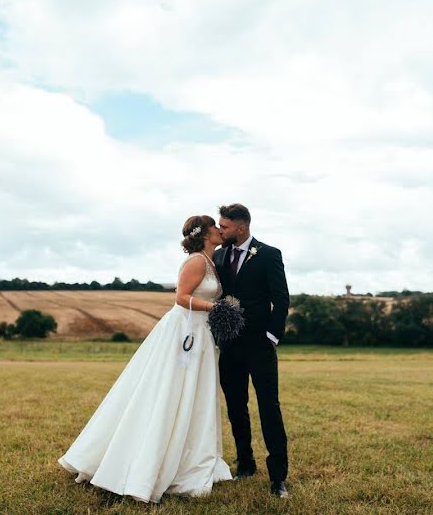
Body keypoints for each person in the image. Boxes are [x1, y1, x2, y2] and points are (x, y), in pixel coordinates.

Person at [57, 215, 232, 503]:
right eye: (214, 226)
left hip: (201, 331)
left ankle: (192, 457)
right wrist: (216, 307)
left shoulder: (210, 260)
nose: (218, 230)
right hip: (185, 332)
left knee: (194, 396)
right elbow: (181, 297)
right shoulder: (198, 261)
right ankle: (145, 464)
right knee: (170, 392)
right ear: (204, 234)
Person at [213, 203, 291, 499]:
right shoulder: (219, 255)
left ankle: (278, 478)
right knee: (235, 406)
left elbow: (281, 299)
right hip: (230, 345)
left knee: (269, 408)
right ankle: (245, 463)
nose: (221, 231)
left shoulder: (269, 254)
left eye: (225, 227)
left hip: (260, 344)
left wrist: (272, 336)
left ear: (241, 227)